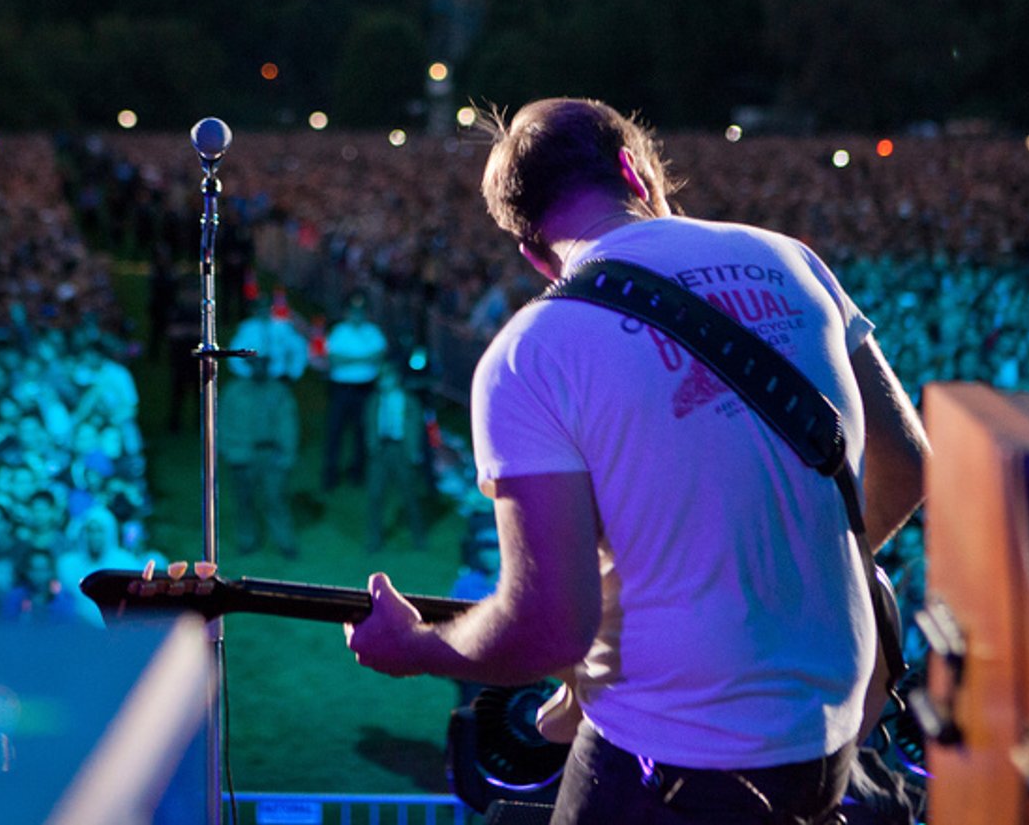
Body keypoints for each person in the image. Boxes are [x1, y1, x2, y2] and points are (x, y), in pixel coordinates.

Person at [346, 98, 930, 824]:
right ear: (634, 168)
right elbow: (905, 463)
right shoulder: (792, 258)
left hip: (674, 761)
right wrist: (783, 562)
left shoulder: (530, 354)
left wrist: (418, 647)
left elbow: (550, 625)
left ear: (531, 251)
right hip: (830, 731)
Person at [218, 349, 302, 557]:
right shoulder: (234, 392)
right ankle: (247, 540)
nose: (259, 368)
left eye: (263, 363)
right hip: (242, 455)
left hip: (270, 454)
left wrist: (287, 454)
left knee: (276, 500)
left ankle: (285, 542)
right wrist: (229, 451)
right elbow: (222, 423)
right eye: (254, 364)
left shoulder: (279, 392)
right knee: (244, 501)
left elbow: (288, 425)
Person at [322, 291, 388, 490]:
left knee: (362, 432)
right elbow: (334, 360)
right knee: (335, 431)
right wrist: (363, 359)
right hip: (341, 389)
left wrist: (349, 360)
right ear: (346, 312)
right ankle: (330, 474)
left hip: (365, 390)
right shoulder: (339, 332)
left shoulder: (373, 332)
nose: (357, 315)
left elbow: (379, 357)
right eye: (353, 311)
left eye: (360, 312)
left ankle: (357, 473)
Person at [363, 363, 425, 552]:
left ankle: (419, 537)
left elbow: (416, 427)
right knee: (375, 496)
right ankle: (374, 540)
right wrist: (372, 446)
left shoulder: (408, 400)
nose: (383, 383)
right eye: (380, 379)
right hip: (381, 450)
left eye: (386, 378)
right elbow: (368, 424)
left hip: (401, 450)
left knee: (409, 496)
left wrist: (413, 452)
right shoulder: (374, 400)